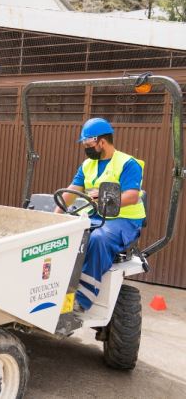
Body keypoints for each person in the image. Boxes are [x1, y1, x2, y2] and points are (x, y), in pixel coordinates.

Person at [54, 118, 145, 312]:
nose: (86, 148)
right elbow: (71, 191)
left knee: (96, 239)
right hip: (97, 216)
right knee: (65, 236)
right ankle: (57, 289)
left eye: (88, 145)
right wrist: (55, 217)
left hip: (124, 221)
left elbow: (131, 196)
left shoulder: (128, 164)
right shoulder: (88, 165)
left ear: (101, 142)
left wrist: (103, 197)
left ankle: (82, 299)